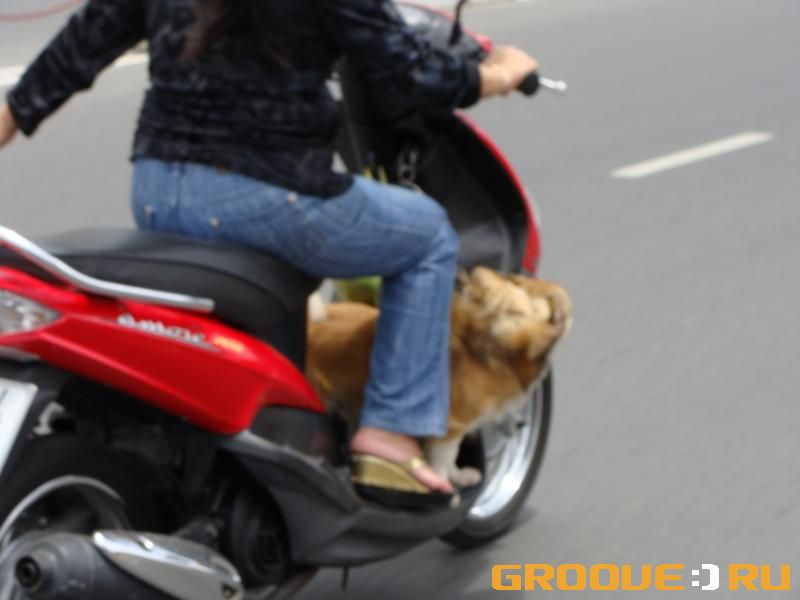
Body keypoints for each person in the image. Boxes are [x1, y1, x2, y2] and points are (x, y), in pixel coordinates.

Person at [0, 0, 538, 507]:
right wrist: (499, 74)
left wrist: (13, 114)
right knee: (427, 236)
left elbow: (88, 37)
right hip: (266, 196)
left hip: (159, 191)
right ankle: (390, 438)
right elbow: (414, 73)